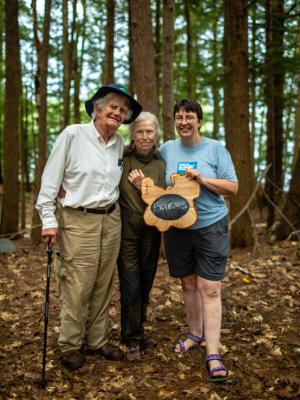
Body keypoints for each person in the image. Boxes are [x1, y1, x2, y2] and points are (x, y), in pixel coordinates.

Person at [36, 83, 142, 370]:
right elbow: (50, 179)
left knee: (103, 282)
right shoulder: (73, 134)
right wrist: (48, 219)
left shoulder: (118, 143)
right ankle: (70, 344)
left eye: (122, 110)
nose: (117, 113)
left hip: (111, 219)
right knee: (78, 283)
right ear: (97, 108)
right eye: (112, 107)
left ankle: (97, 340)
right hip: (77, 219)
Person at [160, 99, 238, 382]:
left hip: (210, 225)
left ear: (199, 121)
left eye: (189, 117)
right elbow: (156, 180)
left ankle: (213, 353)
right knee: (188, 282)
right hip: (178, 226)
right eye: (179, 117)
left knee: (211, 287)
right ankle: (195, 333)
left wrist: (202, 179)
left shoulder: (216, 149)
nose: (183, 122)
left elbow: (232, 187)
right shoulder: (167, 149)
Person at [117, 111, 165, 361]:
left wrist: (143, 186)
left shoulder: (161, 163)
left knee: (145, 285)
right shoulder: (121, 158)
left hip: (152, 233)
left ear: (156, 133)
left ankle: (137, 329)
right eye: (140, 131)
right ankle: (132, 340)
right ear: (132, 135)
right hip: (125, 233)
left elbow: (167, 200)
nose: (145, 136)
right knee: (131, 286)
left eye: (149, 131)